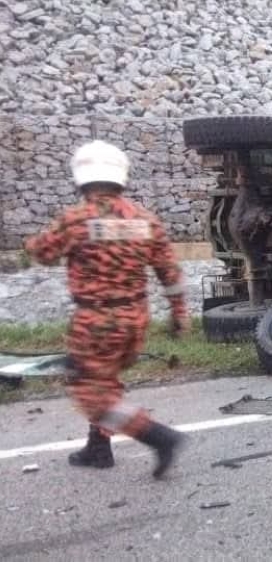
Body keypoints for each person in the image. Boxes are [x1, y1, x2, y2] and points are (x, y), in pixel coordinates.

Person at [25, 140, 189, 479]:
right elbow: (170, 273)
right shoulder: (146, 220)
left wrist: (32, 243)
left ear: (81, 177)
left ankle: (158, 437)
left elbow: (42, 253)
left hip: (97, 320)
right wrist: (179, 314)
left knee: (89, 391)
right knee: (105, 379)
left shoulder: (76, 220)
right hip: (136, 318)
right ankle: (98, 447)